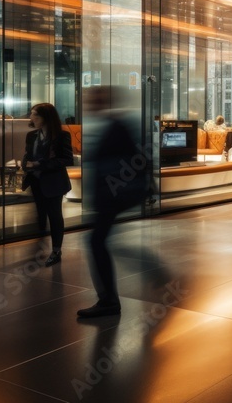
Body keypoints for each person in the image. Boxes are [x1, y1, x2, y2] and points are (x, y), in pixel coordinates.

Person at [78, 86, 149, 318]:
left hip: (113, 194)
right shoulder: (111, 124)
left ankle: (108, 300)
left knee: (96, 241)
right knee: (97, 241)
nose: (88, 103)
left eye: (93, 99)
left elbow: (135, 160)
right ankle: (108, 298)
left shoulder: (116, 125)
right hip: (110, 195)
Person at [21, 103, 74, 267]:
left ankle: (56, 250)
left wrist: (39, 164)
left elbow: (66, 159)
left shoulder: (61, 136)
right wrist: (25, 164)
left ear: (45, 117)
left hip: (54, 182)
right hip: (36, 181)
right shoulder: (31, 135)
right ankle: (40, 246)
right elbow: (27, 155)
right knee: (40, 214)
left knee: (55, 215)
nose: (31, 117)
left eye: (35, 114)